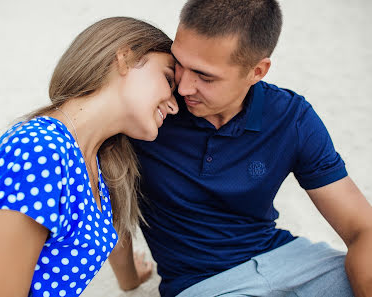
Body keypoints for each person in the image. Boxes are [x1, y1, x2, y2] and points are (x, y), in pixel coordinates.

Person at [108, 1, 372, 297]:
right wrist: (129, 280)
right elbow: (110, 209)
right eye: (179, 62)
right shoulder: (149, 114)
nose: (182, 87)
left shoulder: (291, 118)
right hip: (204, 285)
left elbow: (363, 229)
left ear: (257, 71)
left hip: (293, 261)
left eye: (205, 76)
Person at [0, 16, 178, 297]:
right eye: (168, 79)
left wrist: (131, 279)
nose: (174, 105)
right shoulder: (38, 152)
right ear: (125, 58)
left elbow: (115, 234)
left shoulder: (100, 161)